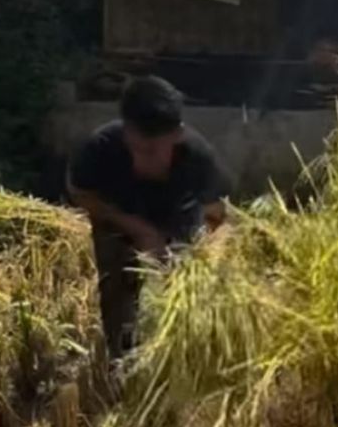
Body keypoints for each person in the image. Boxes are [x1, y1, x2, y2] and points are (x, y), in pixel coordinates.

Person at [66, 75, 232, 360]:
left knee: (187, 296)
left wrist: (202, 258)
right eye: (138, 149)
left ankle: (179, 358)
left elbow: (220, 219)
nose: (144, 161)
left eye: (155, 150)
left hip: (177, 224)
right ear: (126, 131)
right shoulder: (100, 147)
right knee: (115, 287)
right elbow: (80, 193)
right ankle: (118, 358)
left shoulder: (200, 158)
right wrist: (139, 230)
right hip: (118, 223)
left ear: (177, 134)